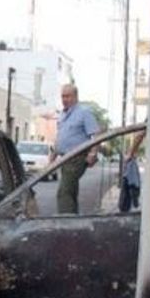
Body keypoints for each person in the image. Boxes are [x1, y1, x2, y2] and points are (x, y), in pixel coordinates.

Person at [54, 84, 100, 214]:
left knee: (64, 192)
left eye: (67, 96)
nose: (64, 99)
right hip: (64, 158)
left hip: (77, 157)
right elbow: (60, 137)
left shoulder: (84, 112)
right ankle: (73, 218)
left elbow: (95, 134)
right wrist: (52, 156)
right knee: (71, 190)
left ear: (75, 96)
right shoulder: (62, 115)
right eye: (63, 96)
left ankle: (65, 222)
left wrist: (93, 153)